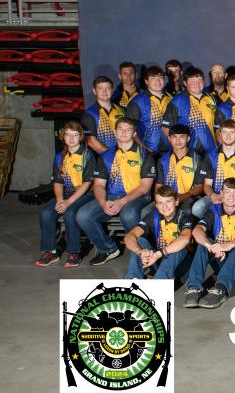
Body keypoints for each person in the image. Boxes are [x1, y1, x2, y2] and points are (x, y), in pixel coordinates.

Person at [76, 117, 156, 266]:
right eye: (120, 129)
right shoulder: (106, 155)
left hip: (138, 197)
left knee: (129, 214)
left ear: (134, 133)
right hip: (112, 196)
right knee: (83, 215)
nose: (124, 133)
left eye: (128, 130)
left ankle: (141, 256)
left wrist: (121, 202)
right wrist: (103, 202)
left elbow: (145, 187)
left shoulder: (145, 155)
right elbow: (99, 185)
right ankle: (108, 249)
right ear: (115, 132)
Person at [184, 178, 235, 309]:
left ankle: (221, 288)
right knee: (203, 243)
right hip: (220, 258)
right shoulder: (214, 209)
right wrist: (210, 246)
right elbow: (197, 230)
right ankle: (194, 287)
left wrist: (228, 245)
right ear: (221, 193)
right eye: (227, 192)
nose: (231, 196)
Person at [35, 121, 95, 268]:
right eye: (68, 134)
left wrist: (68, 203)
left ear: (81, 137)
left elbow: (87, 184)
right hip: (66, 193)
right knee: (46, 213)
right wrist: (60, 199)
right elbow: (58, 181)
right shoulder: (59, 157)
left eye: (75, 135)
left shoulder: (88, 155)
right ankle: (51, 252)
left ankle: (74, 253)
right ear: (63, 136)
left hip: (85, 194)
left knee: (70, 213)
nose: (71, 138)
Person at [124, 185, 193, 280]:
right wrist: (139, 252)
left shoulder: (185, 217)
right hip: (158, 262)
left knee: (179, 247)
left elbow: (185, 239)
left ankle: (159, 282)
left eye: (168, 201)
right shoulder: (153, 217)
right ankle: (133, 279)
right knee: (140, 241)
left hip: (181, 266)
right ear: (156, 205)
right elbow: (129, 236)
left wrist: (159, 253)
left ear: (176, 202)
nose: (164, 206)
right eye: (160, 203)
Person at [196, 119, 235, 215]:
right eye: (225, 132)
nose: (228, 136)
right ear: (220, 134)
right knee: (197, 208)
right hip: (217, 194)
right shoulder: (211, 156)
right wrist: (213, 196)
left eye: (231, 132)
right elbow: (207, 185)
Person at [161, 67, 217, 155]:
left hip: (211, 149)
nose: (197, 84)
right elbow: (166, 127)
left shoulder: (211, 98)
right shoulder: (177, 101)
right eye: (192, 81)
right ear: (185, 83)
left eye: (200, 80)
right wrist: (178, 148)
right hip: (188, 151)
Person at [155, 124, 204, 216]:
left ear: (188, 138)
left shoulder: (197, 159)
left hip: (189, 197)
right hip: (166, 198)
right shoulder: (163, 160)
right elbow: (158, 186)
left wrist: (182, 197)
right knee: (147, 212)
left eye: (182, 136)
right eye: (174, 137)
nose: (178, 140)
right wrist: (161, 200)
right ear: (169, 139)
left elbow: (200, 187)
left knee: (186, 211)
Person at [126, 65, 172, 155]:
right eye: (153, 78)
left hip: (171, 151)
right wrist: (144, 148)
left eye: (161, 78)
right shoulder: (137, 101)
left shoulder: (171, 99)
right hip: (148, 152)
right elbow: (129, 129)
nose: (158, 81)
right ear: (146, 81)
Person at [81, 75, 125, 154]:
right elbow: (91, 141)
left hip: (124, 157)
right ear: (94, 91)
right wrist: (112, 157)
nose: (104, 91)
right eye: (100, 88)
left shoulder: (123, 111)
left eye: (108, 88)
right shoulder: (89, 114)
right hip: (101, 160)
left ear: (112, 90)